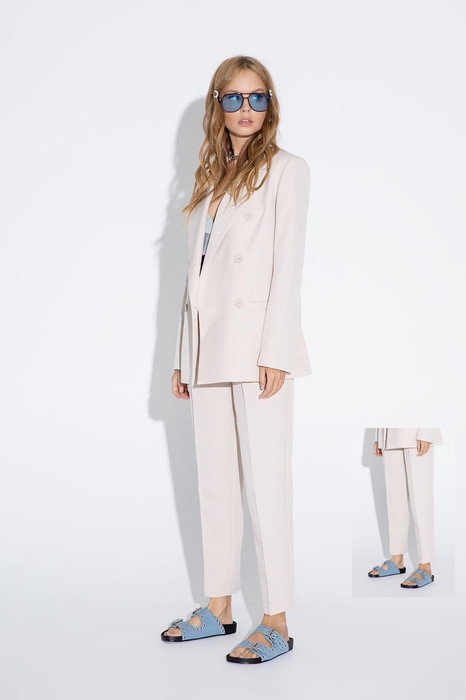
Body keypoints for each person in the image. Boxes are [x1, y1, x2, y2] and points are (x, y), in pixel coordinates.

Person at [162, 55, 311, 665]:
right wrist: (183, 355)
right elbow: (193, 278)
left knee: (267, 484)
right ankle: (219, 606)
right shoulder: (208, 180)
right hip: (208, 351)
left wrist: (276, 350)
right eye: (233, 98)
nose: (245, 109)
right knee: (214, 482)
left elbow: (288, 267)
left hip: (257, 352)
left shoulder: (287, 170)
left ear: (270, 104)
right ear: (217, 106)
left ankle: (276, 618)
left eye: (257, 97)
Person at [369, 428, 443, 588]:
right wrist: (379, 435)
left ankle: (425, 566)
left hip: (417, 431)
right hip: (389, 433)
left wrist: (426, 432)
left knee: (421, 500)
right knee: (394, 499)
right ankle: (397, 560)